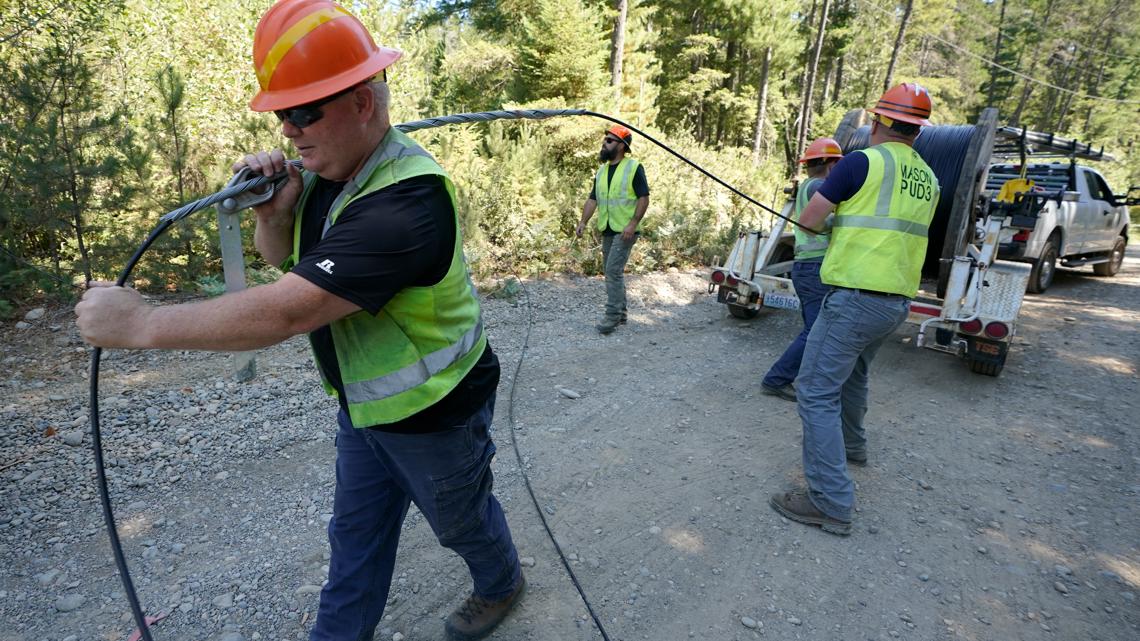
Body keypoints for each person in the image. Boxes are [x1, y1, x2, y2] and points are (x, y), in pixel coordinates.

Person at [75, 1, 525, 639]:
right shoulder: (328, 171)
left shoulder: (408, 205)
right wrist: (272, 210)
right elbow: (285, 260)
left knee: (460, 521)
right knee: (353, 543)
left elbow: (288, 309)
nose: (289, 130)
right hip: (364, 408)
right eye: (283, 113)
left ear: (362, 104)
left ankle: (501, 580)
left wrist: (142, 323)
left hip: (436, 415)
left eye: (304, 111)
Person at [769, 83, 940, 536]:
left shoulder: (861, 161)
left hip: (855, 297)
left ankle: (829, 501)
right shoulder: (928, 177)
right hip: (896, 301)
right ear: (918, 131)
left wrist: (836, 222)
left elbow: (808, 220)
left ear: (880, 121)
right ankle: (853, 447)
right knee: (855, 375)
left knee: (814, 389)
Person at [760, 138, 844, 402]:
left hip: (807, 265)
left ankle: (798, 377)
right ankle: (776, 379)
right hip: (815, 266)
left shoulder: (809, 186)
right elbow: (828, 221)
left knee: (815, 328)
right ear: (830, 164)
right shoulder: (821, 186)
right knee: (816, 330)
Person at [575, 125, 650, 334]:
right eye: (605, 140)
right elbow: (593, 199)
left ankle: (612, 316)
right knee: (613, 271)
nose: (604, 143)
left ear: (621, 146)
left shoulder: (634, 167)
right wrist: (583, 222)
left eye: (609, 140)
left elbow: (644, 198)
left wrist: (633, 223)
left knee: (612, 271)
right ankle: (622, 313)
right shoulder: (601, 171)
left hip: (625, 229)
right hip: (607, 227)